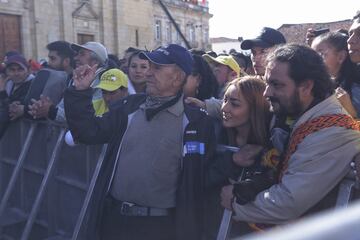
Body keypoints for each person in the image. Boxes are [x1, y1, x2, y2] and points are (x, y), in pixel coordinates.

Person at [64, 44, 217, 240]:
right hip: (114, 221)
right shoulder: (129, 106)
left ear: (178, 77)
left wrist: (235, 163)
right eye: (149, 66)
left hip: (160, 228)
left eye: (157, 68)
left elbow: (201, 173)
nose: (149, 72)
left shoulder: (195, 123)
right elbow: (88, 132)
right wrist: (80, 92)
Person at [220, 44, 360, 235]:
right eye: (267, 83)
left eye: (276, 85)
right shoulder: (297, 112)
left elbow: (288, 203)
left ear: (306, 86)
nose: (266, 93)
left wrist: (235, 204)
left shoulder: (332, 131)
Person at [28, 41, 108, 122]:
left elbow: (84, 115)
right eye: (77, 54)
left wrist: (51, 111)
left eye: (82, 54)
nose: (76, 58)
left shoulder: (103, 83)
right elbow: (64, 107)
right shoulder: (75, 79)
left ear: (96, 61)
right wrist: (43, 108)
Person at [311, 31, 360, 117]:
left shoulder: (354, 92)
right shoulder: (320, 87)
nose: (312, 62)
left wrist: (351, 113)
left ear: (340, 57)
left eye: (320, 54)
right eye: (311, 56)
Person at [0, 54, 34, 136]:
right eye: (12, 70)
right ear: (7, 72)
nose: (16, 73)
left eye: (20, 69)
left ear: (28, 70)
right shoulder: (8, 84)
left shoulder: (32, 85)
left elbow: (10, 111)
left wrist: (2, 92)